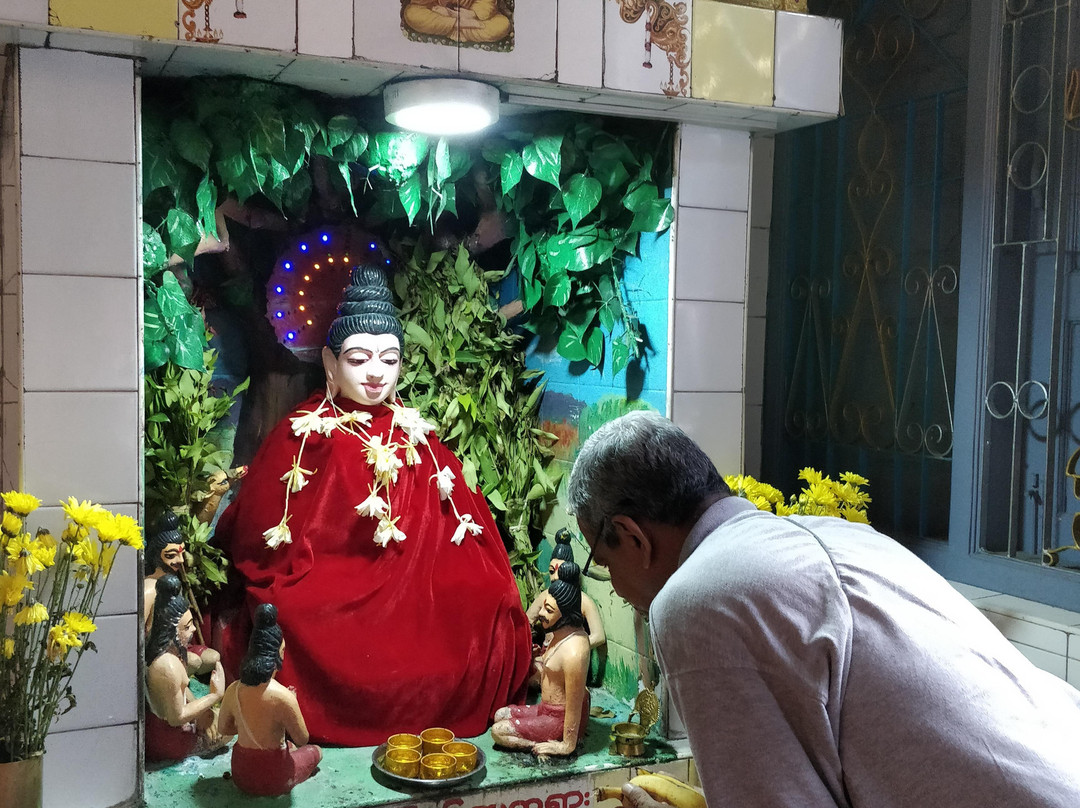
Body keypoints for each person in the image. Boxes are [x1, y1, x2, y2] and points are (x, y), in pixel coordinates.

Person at [567, 410, 1080, 808]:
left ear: (633, 536)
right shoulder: (841, 535)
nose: (612, 585)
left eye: (602, 562)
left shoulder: (696, 598)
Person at [214, 264, 532, 746]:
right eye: (359, 359)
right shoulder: (302, 437)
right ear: (330, 361)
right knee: (289, 614)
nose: (376, 373)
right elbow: (258, 538)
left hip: (415, 589)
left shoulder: (418, 436)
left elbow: (464, 526)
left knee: (483, 595)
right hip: (331, 587)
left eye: (389, 358)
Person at [218, 603, 322, 796]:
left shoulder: (233, 689)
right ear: (277, 654)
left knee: (288, 747)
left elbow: (224, 729)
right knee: (315, 751)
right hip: (274, 776)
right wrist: (292, 702)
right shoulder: (282, 696)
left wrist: (248, 723)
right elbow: (302, 738)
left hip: (241, 772)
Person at [491, 561, 590, 757]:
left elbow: (575, 701)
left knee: (498, 731)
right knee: (499, 715)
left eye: (549, 611)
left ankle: (538, 745)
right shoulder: (559, 635)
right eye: (544, 607)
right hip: (546, 709)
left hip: (560, 719)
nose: (541, 614)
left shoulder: (574, 652)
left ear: (566, 615)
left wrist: (566, 745)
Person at [145, 575, 227, 762]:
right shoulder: (167, 665)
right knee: (230, 725)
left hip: (169, 726)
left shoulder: (164, 653)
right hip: (168, 739)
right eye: (187, 627)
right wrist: (213, 697)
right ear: (172, 630)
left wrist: (202, 712)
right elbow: (176, 717)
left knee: (217, 717)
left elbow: (181, 691)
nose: (192, 632)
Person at [143, 512, 220, 676]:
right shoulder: (149, 589)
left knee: (212, 657)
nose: (180, 560)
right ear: (157, 556)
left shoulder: (174, 582)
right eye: (171, 556)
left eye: (181, 554)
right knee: (194, 661)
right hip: (158, 651)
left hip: (181, 643)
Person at [526, 528, 606, 650]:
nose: (555, 577)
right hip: (546, 654)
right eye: (552, 571)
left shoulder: (583, 601)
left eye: (561, 571)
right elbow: (526, 623)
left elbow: (599, 636)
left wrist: (570, 650)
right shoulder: (545, 596)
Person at [402, 0, 511, 44]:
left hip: (471, 15)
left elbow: (487, 2)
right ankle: (457, 24)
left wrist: (474, 14)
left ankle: (458, 25)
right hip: (438, 11)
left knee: (502, 25)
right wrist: (446, 14)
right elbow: (419, 2)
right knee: (411, 14)